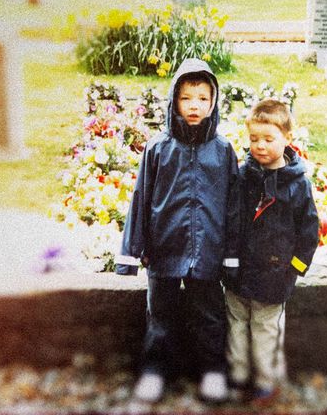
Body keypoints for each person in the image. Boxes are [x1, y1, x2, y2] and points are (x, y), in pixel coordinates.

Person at [115, 58, 240, 404]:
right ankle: (155, 370)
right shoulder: (158, 149)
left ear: (213, 102)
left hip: (209, 250)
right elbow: (141, 199)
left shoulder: (223, 151)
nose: (195, 105)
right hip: (165, 248)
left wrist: (231, 254)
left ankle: (213, 370)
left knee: (209, 313)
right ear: (175, 101)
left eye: (202, 97)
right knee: (161, 313)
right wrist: (130, 252)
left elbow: (233, 206)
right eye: (187, 98)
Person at [224, 98, 319, 405]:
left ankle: (265, 381)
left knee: (265, 331)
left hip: (273, 276)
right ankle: (237, 376)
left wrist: (292, 269)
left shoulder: (297, 185)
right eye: (254, 139)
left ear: (287, 139)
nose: (260, 146)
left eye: (268, 139)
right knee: (236, 326)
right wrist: (228, 259)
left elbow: (309, 232)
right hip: (238, 272)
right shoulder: (243, 177)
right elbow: (231, 220)